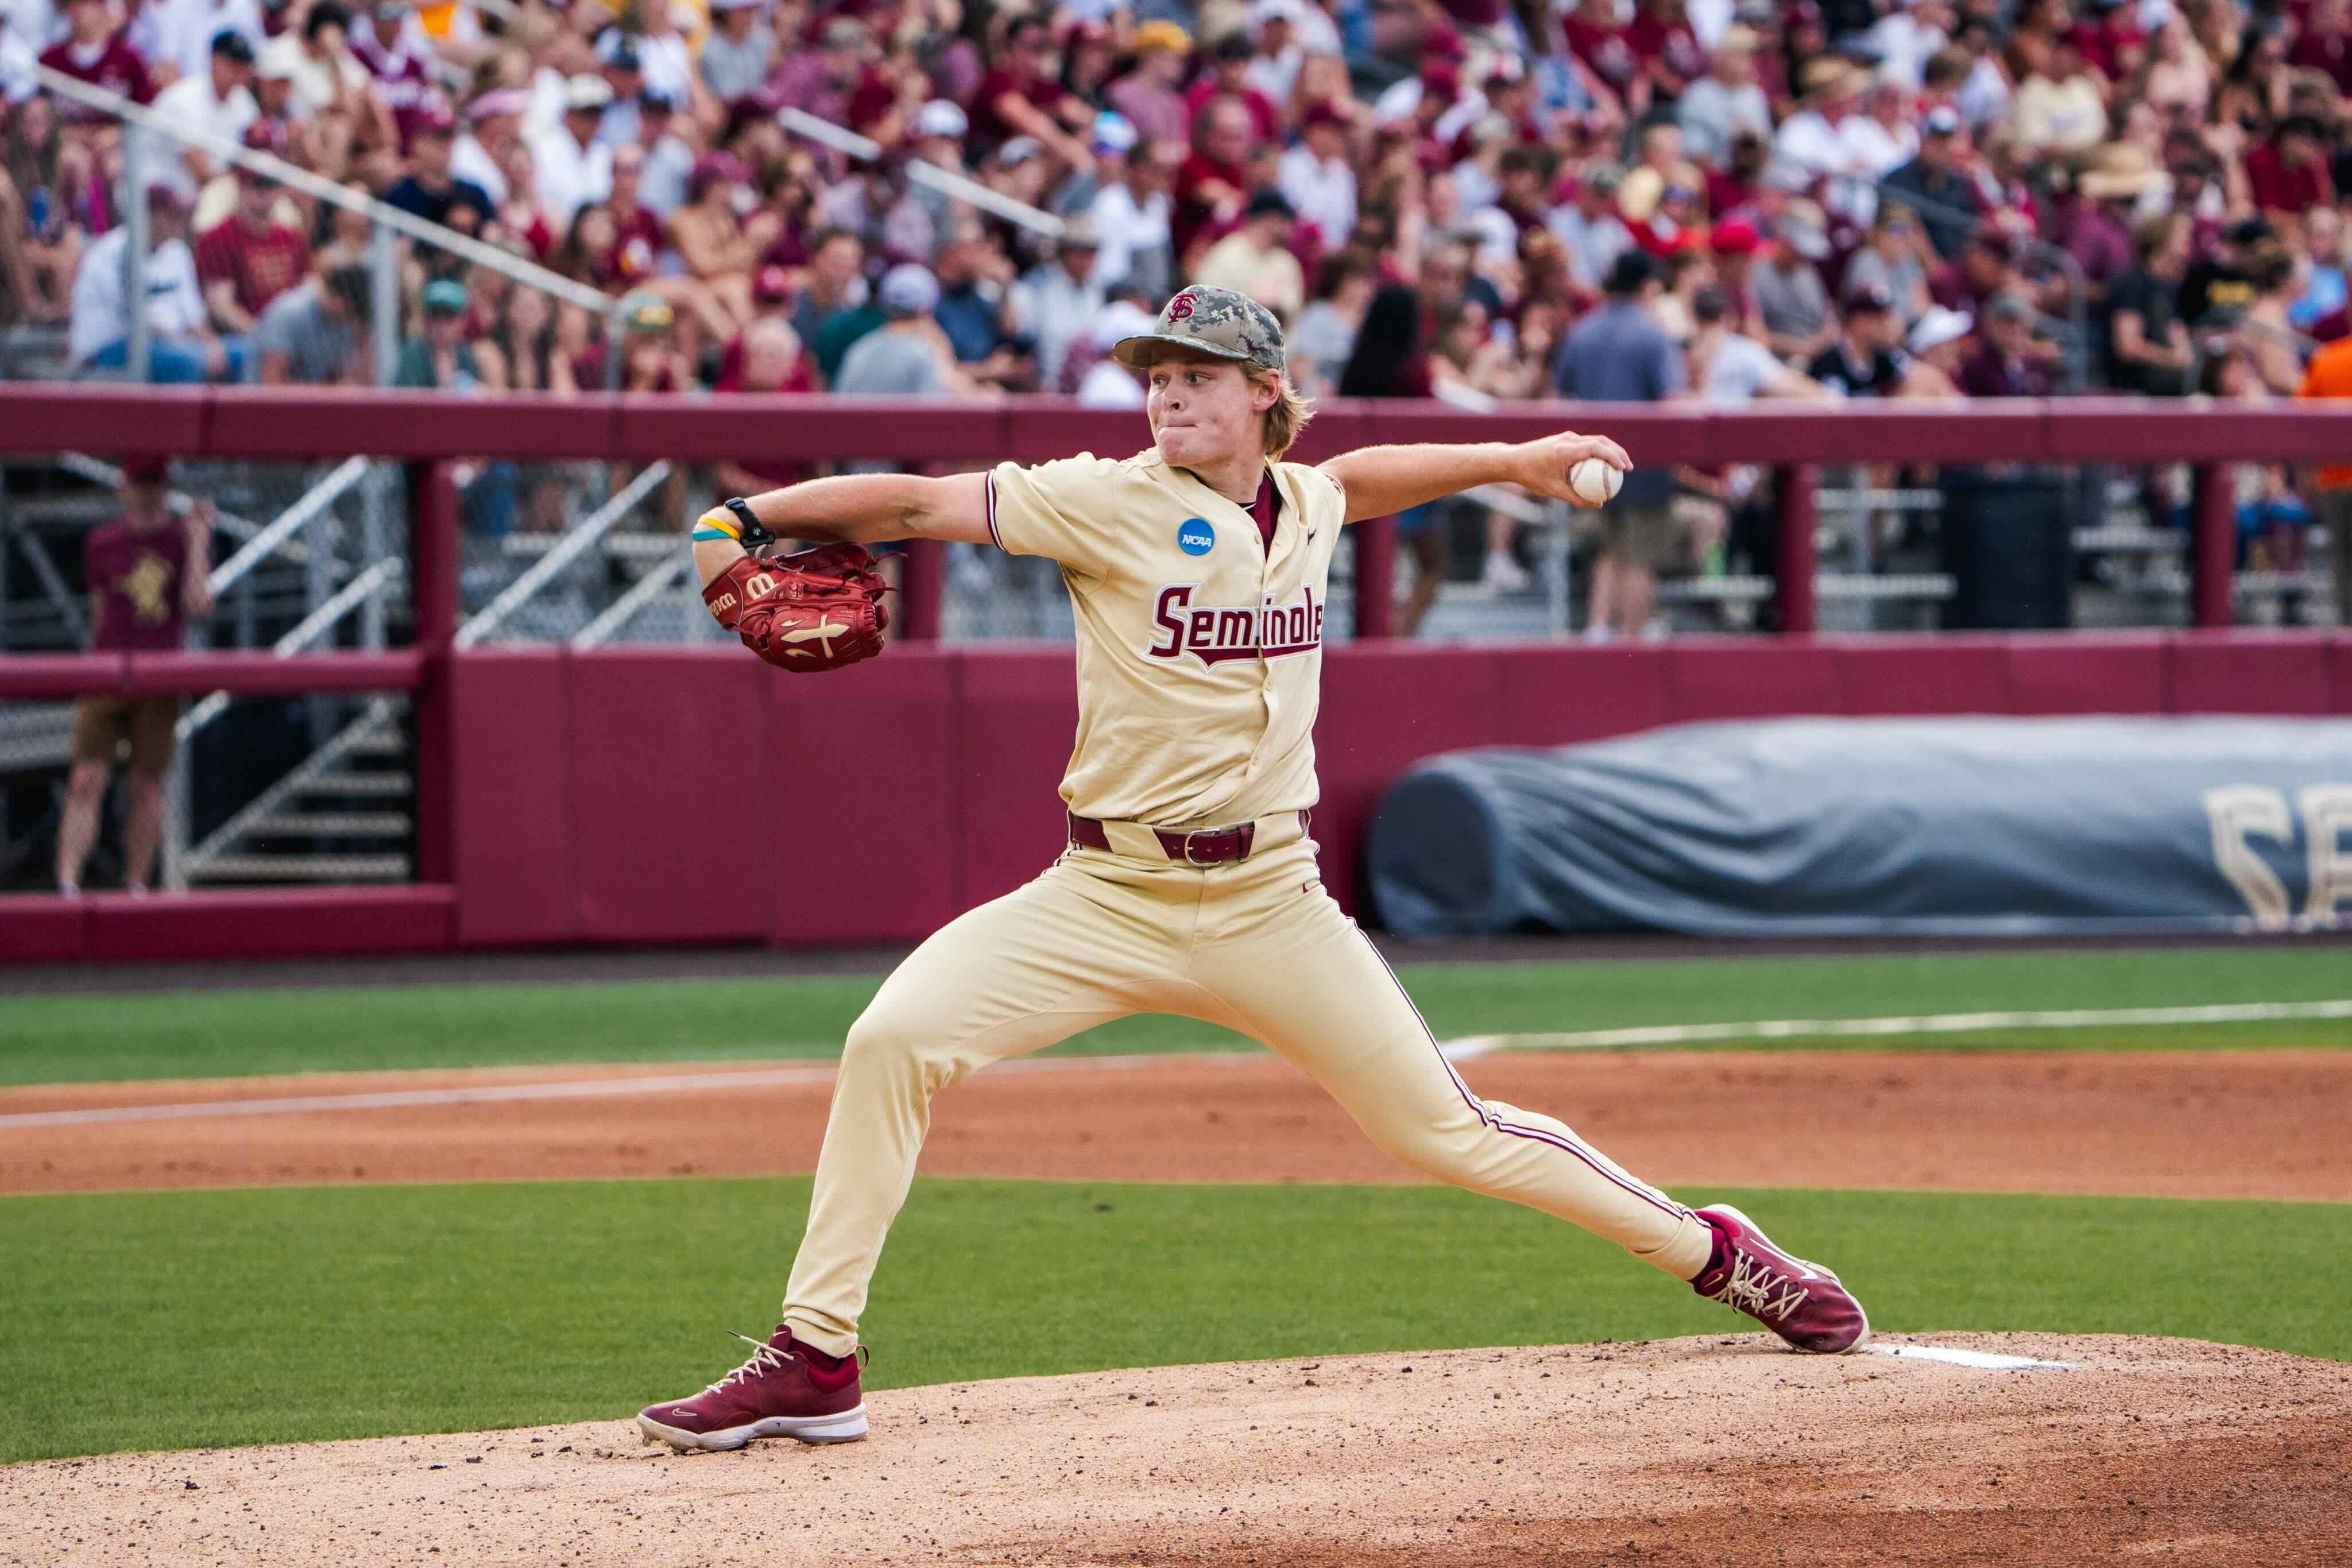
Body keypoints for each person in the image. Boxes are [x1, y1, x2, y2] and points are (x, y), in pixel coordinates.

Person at [635, 284, 1869, 1453]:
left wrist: (1510, 458)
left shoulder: (1301, 502)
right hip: (1103, 896)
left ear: (1263, 393)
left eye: (1196, 379)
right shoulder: (1101, 499)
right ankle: (817, 1356)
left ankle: (1719, 1256)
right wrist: (752, 519)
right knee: (891, 1039)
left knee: (1450, 1131)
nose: (1166, 399)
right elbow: (913, 508)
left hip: (1271, 900)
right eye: (1156, 378)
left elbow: (1349, 481)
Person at [57, 456, 215, 899]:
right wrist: (93, 666)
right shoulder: (103, 542)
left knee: (147, 785)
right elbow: (100, 613)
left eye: (155, 483)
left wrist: (200, 538)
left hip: (158, 673)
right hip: (107, 671)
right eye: (140, 483)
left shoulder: (181, 537)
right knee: (86, 777)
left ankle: (136, 885)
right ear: (124, 487)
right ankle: (67, 884)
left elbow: (198, 605)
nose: (148, 492)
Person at [1554, 250, 1686, 641]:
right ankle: (1632, 641)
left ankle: (1597, 631)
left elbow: (1558, 398)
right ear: (1647, 287)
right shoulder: (1654, 334)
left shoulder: (1582, 330)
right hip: (1643, 467)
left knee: (1610, 552)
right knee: (1640, 557)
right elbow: (1672, 403)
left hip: (1590, 464)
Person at [2296, 330, 2352, 627]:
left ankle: (2348, 633)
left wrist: (2306, 478)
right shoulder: (2326, 357)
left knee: (2344, 562)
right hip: (2332, 479)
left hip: (2332, 481)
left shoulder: (2327, 359)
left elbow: (2301, 423)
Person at [253, 261, 368, 383]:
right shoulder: (289, 313)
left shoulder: (343, 318)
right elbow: (271, 382)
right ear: (341, 301)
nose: (352, 319)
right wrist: (328, 393)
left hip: (310, 397)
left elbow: (349, 378)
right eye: (350, 312)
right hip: (259, 399)